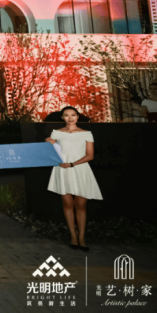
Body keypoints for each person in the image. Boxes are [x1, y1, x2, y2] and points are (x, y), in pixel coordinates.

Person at [46, 106, 102, 252]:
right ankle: (73, 236)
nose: (70, 118)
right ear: (62, 118)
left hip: (80, 170)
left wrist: (72, 164)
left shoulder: (86, 133)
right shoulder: (56, 133)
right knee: (67, 204)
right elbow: (51, 153)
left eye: (73, 115)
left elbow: (90, 155)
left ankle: (82, 238)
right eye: (66, 115)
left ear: (78, 117)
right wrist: (50, 144)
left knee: (81, 205)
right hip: (63, 170)